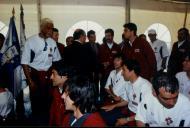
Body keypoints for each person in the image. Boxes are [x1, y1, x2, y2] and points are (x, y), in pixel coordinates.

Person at [21, 18, 61, 125]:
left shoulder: (52, 42)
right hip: (35, 75)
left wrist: (55, 76)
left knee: (49, 101)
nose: (50, 31)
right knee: (36, 101)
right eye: (48, 28)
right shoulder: (31, 41)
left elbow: (57, 60)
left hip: (49, 75)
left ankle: (48, 121)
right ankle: (37, 122)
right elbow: (24, 62)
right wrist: (30, 81)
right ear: (42, 28)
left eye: (51, 29)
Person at [101, 59, 152, 126]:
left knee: (112, 122)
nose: (122, 73)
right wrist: (113, 106)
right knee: (103, 114)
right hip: (128, 112)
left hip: (139, 118)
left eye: (124, 70)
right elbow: (127, 100)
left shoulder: (145, 86)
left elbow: (146, 112)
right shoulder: (128, 83)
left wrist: (126, 120)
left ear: (132, 71)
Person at [49, 61, 75, 126]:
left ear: (64, 76)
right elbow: (53, 112)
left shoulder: (72, 96)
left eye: (53, 74)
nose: (51, 77)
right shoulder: (56, 90)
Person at [99, 28, 121, 101]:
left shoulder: (117, 47)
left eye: (109, 36)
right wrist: (102, 64)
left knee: (115, 89)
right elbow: (98, 59)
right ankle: (102, 106)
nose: (107, 38)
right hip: (104, 73)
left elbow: (120, 59)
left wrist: (110, 63)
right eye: (106, 36)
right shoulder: (101, 47)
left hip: (115, 73)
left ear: (113, 36)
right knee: (103, 90)